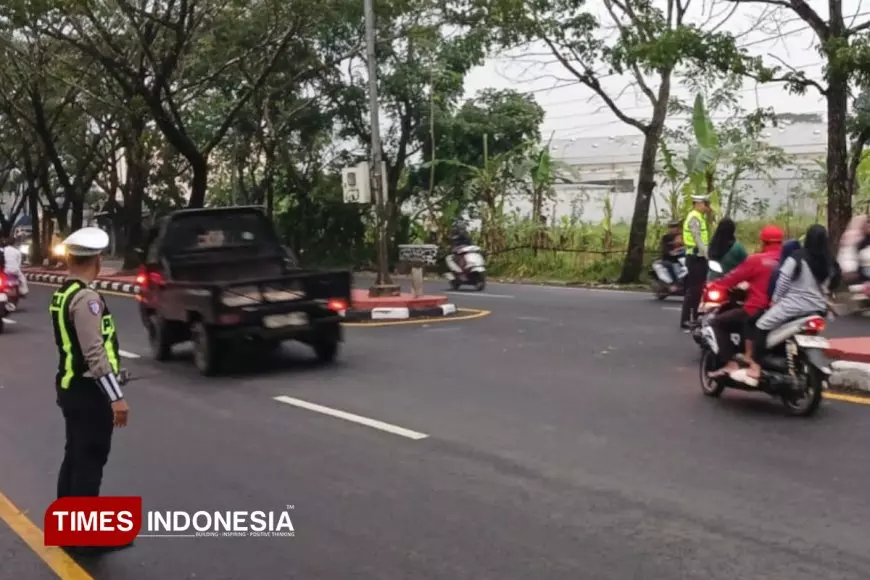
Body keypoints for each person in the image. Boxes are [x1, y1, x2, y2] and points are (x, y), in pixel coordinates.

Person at [50, 227, 132, 556]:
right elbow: (94, 355)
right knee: (89, 462)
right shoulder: (87, 299)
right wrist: (117, 398)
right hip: (88, 392)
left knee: (75, 457)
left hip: (71, 387)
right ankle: (86, 537)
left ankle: (68, 530)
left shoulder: (64, 293)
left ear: (69, 259)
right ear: (97, 261)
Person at [741, 225, 839, 383]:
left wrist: (775, 300)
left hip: (793, 306)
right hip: (818, 308)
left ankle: (756, 365)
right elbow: (833, 284)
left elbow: (783, 279)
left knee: (760, 325)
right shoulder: (830, 261)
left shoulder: (798, 256)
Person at [706, 225, 784, 379]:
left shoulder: (757, 260)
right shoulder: (789, 260)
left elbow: (734, 277)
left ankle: (730, 363)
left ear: (763, 241)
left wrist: (714, 286)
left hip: (756, 308)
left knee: (718, 322)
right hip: (783, 311)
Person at [680, 195, 712, 330]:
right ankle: (686, 320)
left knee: (698, 289)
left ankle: (694, 318)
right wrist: (707, 255)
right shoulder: (694, 217)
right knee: (693, 290)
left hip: (698, 257)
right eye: (705, 204)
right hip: (695, 258)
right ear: (698, 204)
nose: (707, 207)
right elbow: (697, 238)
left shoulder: (699, 217)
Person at [838, 215, 870, 282]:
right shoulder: (855, 237)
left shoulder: (863, 237)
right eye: (867, 222)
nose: (868, 225)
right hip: (855, 273)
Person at [659, 220, 684, 291]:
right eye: (672, 227)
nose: (674, 228)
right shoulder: (666, 237)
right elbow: (664, 248)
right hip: (668, 259)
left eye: (676, 226)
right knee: (670, 265)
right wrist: (670, 252)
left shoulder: (682, 237)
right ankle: (674, 284)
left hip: (681, 258)